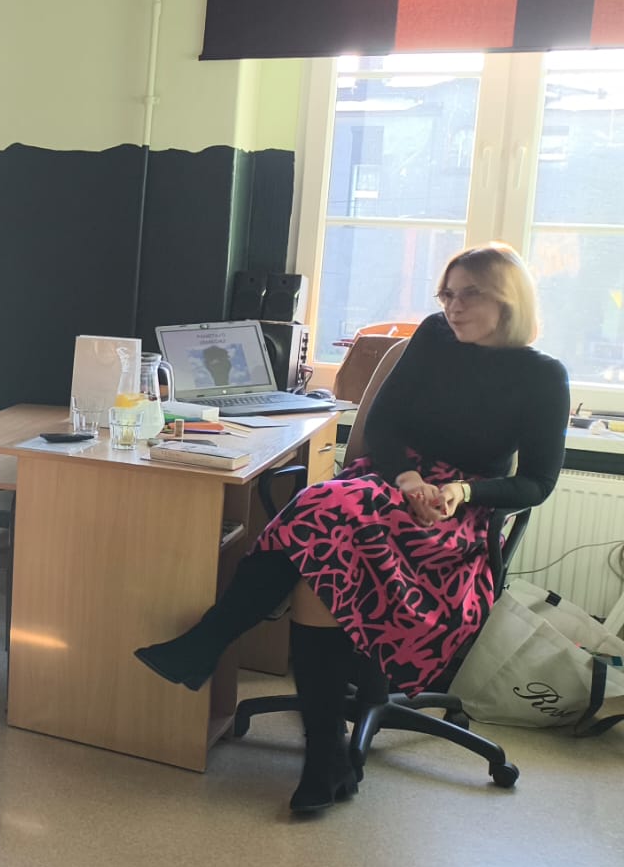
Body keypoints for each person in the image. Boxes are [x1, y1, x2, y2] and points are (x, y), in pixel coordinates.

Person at [134, 244, 569, 814]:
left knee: (322, 524)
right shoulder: (433, 337)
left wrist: (462, 493)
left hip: (455, 519)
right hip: (390, 480)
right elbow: (382, 426)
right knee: (327, 519)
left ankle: (211, 644)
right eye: (447, 293)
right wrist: (407, 478)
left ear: (508, 301)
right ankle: (323, 754)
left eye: (470, 294)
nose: (453, 307)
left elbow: (536, 482)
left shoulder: (543, 377)